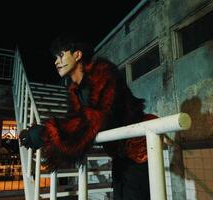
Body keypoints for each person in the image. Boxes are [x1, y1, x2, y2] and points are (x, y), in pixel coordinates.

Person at [19, 32, 157, 200]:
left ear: (77, 54)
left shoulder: (103, 73)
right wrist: (46, 133)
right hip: (119, 155)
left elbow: (95, 119)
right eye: (55, 58)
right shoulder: (75, 91)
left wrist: (46, 133)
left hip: (136, 150)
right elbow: (76, 122)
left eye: (61, 55)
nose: (56, 62)